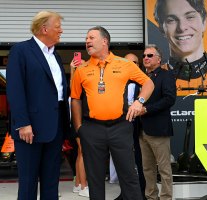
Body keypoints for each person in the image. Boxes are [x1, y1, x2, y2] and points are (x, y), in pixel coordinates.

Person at [70, 26, 154, 200]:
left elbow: (148, 83)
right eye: (86, 38)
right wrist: (79, 127)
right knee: (95, 179)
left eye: (91, 38)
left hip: (120, 127)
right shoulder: (81, 69)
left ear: (104, 41)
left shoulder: (124, 64)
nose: (87, 41)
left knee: (129, 176)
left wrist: (139, 101)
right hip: (92, 129)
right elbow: (76, 99)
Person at [6, 11, 70, 200]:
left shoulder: (55, 56)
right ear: (44, 29)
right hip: (30, 129)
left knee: (51, 181)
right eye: (57, 26)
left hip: (55, 127)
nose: (61, 30)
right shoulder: (21, 50)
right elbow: (15, 90)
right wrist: (23, 123)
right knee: (28, 182)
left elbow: (57, 91)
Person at [138, 44, 176, 200]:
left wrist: (147, 109)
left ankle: (166, 198)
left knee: (164, 169)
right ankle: (151, 197)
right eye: (144, 56)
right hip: (142, 130)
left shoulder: (166, 75)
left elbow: (169, 99)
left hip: (159, 130)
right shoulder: (141, 77)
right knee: (147, 169)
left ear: (159, 59)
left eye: (150, 55)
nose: (145, 58)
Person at [113, 53, 146, 200]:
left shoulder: (144, 83)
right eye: (129, 62)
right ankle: (124, 194)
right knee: (123, 162)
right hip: (120, 127)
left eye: (135, 63)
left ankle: (141, 193)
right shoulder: (116, 82)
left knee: (140, 161)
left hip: (141, 128)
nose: (132, 65)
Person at [154, 0, 207, 81]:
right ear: (161, 28)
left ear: (204, 22)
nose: (181, 27)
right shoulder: (155, 77)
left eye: (190, 17)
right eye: (171, 20)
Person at [70, 58, 89, 198]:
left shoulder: (81, 83)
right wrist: (72, 69)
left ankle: (78, 184)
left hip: (78, 121)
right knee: (83, 153)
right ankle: (84, 186)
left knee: (80, 153)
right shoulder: (80, 84)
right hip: (80, 121)